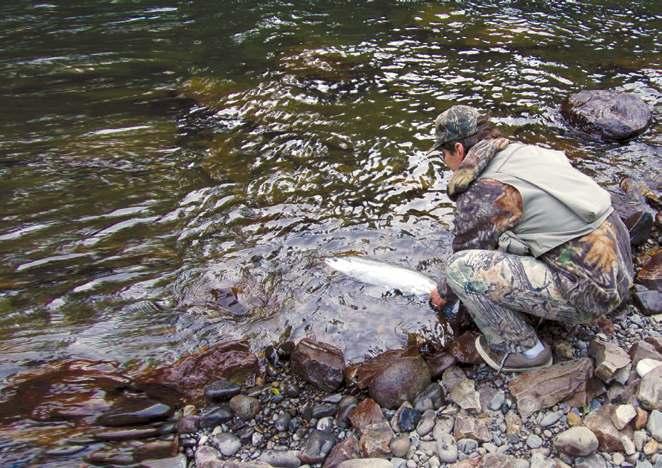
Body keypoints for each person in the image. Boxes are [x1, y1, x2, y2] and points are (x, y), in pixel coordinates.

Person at [427, 105, 634, 372]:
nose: (445, 163)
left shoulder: (485, 189)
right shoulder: (528, 153)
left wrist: (442, 293)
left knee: (460, 269)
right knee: (505, 241)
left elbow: (465, 252)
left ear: (458, 149)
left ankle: (524, 350)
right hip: (622, 273)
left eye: (444, 154)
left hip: (592, 296)